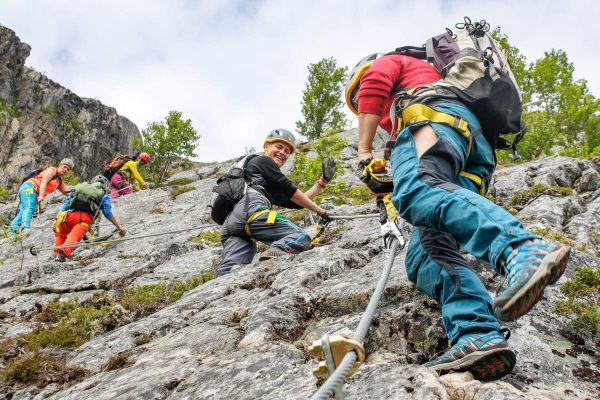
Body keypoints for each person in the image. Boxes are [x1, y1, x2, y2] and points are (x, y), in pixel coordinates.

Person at [347, 52, 570, 380]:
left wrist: (364, 152)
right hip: (471, 149)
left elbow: (375, 83)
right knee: (426, 254)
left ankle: (521, 249)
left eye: (357, 100)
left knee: (418, 190)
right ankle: (476, 333)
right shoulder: (429, 83)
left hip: (434, 120)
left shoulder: (390, 64)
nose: (366, 110)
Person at [218, 129, 335, 277]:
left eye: (287, 151)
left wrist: (322, 183)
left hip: (232, 225)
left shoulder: (262, 179)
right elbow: (291, 190)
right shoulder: (263, 161)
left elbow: (298, 202)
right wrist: (322, 212)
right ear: (266, 146)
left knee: (229, 275)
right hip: (252, 211)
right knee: (300, 237)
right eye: (278, 147)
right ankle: (270, 261)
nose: (282, 152)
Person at [54, 175, 126, 262]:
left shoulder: (81, 186)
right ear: (106, 186)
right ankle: (62, 254)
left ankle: (57, 254)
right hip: (84, 220)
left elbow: (66, 203)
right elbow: (107, 212)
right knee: (74, 237)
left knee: (60, 235)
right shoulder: (103, 195)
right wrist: (119, 227)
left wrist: (56, 219)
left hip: (68, 216)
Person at [11, 158, 74, 235]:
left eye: (68, 169)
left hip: (32, 192)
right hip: (29, 187)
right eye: (64, 167)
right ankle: (25, 228)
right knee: (29, 206)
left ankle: (12, 232)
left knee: (23, 212)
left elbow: (69, 193)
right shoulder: (52, 170)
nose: (65, 170)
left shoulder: (59, 182)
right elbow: (44, 181)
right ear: (60, 165)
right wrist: (41, 196)